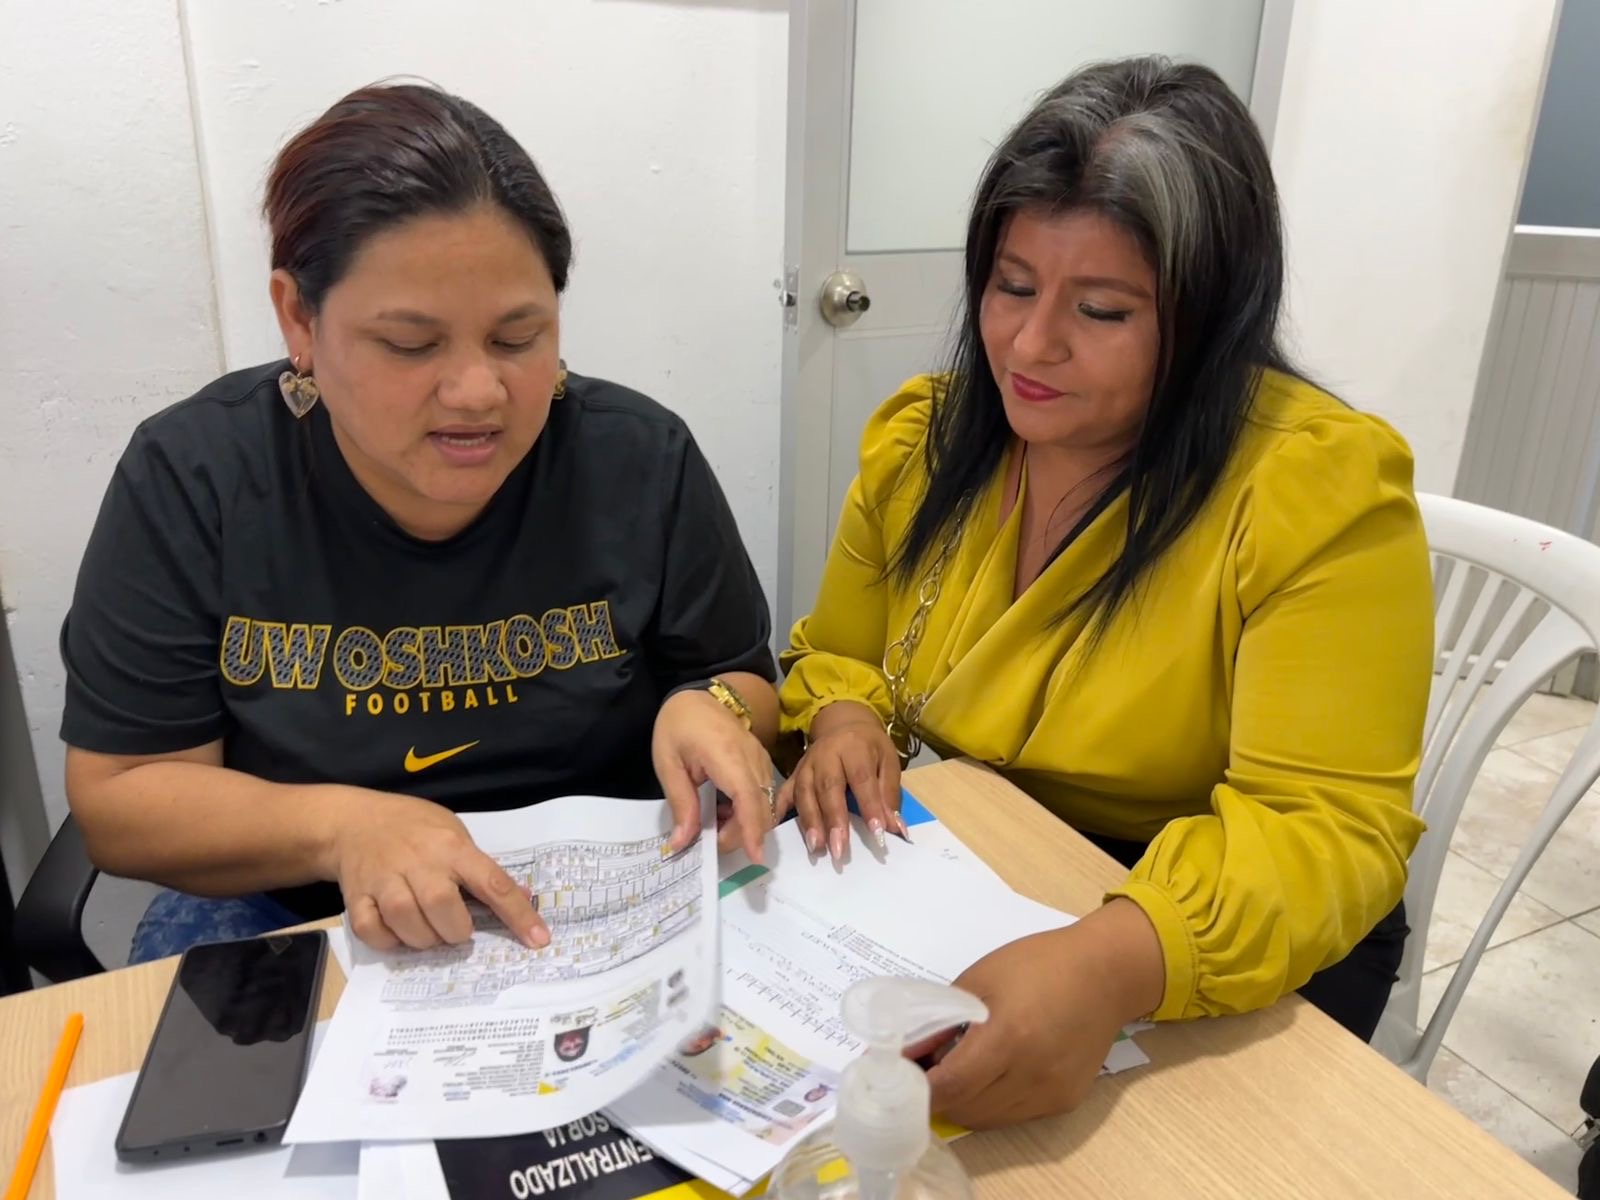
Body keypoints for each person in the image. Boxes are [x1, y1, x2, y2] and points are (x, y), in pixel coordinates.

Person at [775, 56, 1433, 1129]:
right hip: (1007, 867)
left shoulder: (1316, 490)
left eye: (1102, 310)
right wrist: (845, 718)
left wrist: (1113, 961)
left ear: (1209, 321)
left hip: (1224, 921)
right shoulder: (927, 441)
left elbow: (1323, 828)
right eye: (1011, 287)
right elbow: (842, 651)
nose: (1030, 345)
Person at [59, 82, 780, 964]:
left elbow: (740, 681)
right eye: (410, 344)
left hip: (596, 895)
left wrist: (709, 709)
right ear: (298, 317)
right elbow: (123, 796)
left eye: (517, 338)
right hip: (296, 900)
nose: (477, 392)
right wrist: (344, 828)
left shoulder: (639, 459)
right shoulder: (196, 477)